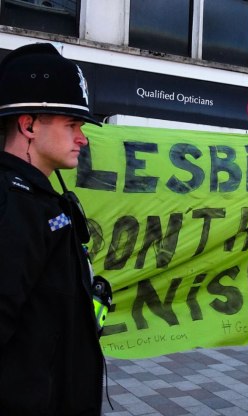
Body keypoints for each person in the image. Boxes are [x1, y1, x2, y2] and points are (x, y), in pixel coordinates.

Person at [0, 43, 109, 414]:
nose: (83, 138)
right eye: (72, 124)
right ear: (28, 124)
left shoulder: (42, 203)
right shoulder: (13, 206)